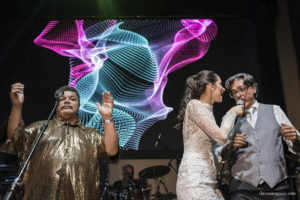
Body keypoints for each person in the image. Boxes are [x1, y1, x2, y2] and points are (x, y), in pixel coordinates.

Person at [0, 83, 119, 200]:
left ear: (78, 106)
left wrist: (108, 118)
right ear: (56, 106)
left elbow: (111, 151)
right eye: (62, 99)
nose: (67, 101)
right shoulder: (39, 128)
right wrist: (16, 106)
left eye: (72, 99)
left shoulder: (92, 135)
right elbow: (14, 138)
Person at [215, 73, 300, 200]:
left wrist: (296, 139)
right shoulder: (230, 118)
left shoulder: (275, 110)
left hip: (277, 187)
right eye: (234, 92)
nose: (238, 94)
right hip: (242, 188)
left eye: (241, 89)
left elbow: (296, 147)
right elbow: (218, 154)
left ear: (253, 89)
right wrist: (230, 146)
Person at [174, 70, 244, 200]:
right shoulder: (194, 105)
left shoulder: (208, 112)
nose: (223, 89)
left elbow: (218, 148)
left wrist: (231, 146)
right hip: (195, 182)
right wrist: (232, 113)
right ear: (211, 86)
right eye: (220, 84)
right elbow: (221, 137)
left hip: (210, 182)